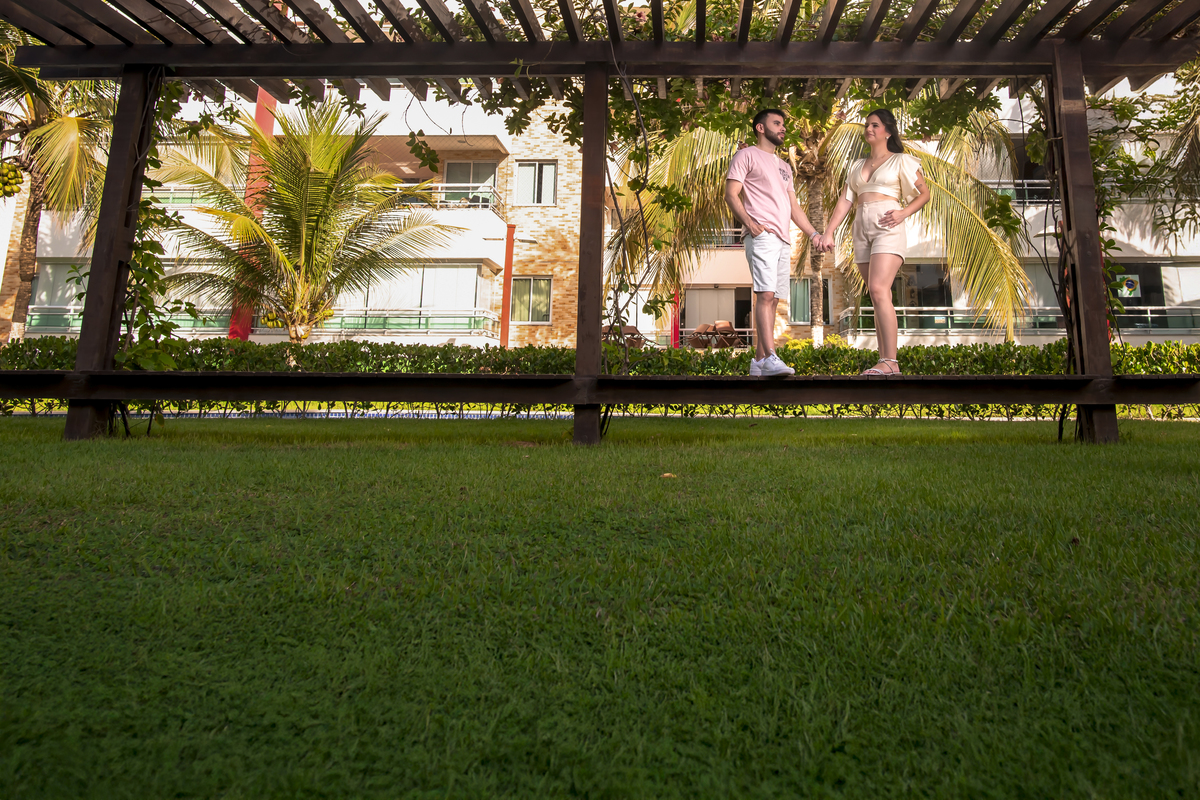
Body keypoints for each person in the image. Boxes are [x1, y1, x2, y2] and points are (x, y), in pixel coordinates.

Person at [816, 108, 931, 376]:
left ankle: (891, 361)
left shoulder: (901, 160)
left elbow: (924, 194)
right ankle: (885, 360)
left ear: (888, 132)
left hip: (887, 226)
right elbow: (846, 200)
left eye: (875, 125)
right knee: (880, 295)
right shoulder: (856, 165)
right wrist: (829, 231)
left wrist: (903, 213)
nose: (869, 129)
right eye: (867, 124)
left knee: (879, 290)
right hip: (861, 228)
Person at [725, 108, 827, 377]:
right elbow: (731, 194)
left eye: (783, 124)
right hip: (762, 236)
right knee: (765, 294)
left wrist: (814, 234)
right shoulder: (745, 155)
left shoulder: (784, 167)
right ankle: (771, 355)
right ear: (761, 128)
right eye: (776, 123)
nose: (782, 128)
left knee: (773, 300)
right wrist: (750, 223)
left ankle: (759, 361)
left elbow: (794, 206)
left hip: (782, 239)